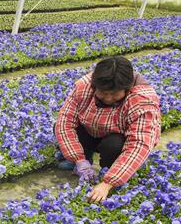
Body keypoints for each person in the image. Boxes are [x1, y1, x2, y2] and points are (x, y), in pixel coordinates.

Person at [54, 56, 161, 204]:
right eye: (103, 93)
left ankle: (109, 169)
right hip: (90, 129)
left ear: (127, 88)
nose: (109, 99)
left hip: (115, 138)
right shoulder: (84, 86)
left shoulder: (142, 100)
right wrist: (78, 159)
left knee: (114, 145)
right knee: (59, 126)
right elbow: (65, 122)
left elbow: (139, 144)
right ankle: (84, 157)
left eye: (115, 94)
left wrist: (108, 183)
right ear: (94, 86)